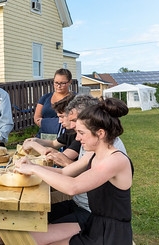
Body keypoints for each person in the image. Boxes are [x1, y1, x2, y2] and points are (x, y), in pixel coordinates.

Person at [15, 97, 133, 244]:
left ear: (100, 133)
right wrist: (34, 168)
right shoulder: (97, 155)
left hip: (111, 235)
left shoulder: (115, 160)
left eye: (81, 133)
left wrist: (33, 168)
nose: (77, 138)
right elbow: (65, 173)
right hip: (96, 225)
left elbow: (73, 187)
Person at [23, 94, 80, 167]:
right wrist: (35, 140)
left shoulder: (79, 135)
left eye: (62, 117)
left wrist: (33, 145)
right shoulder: (70, 131)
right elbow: (54, 143)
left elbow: (60, 158)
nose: (59, 121)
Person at [34, 68, 73, 138]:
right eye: (56, 82)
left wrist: (45, 122)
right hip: (44, 136)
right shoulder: (45, 97)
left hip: (65, 137)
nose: (58, 86)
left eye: (62, 83)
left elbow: (73, 120)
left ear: (70, 82)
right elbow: (37, 118)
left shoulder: (75, 99)